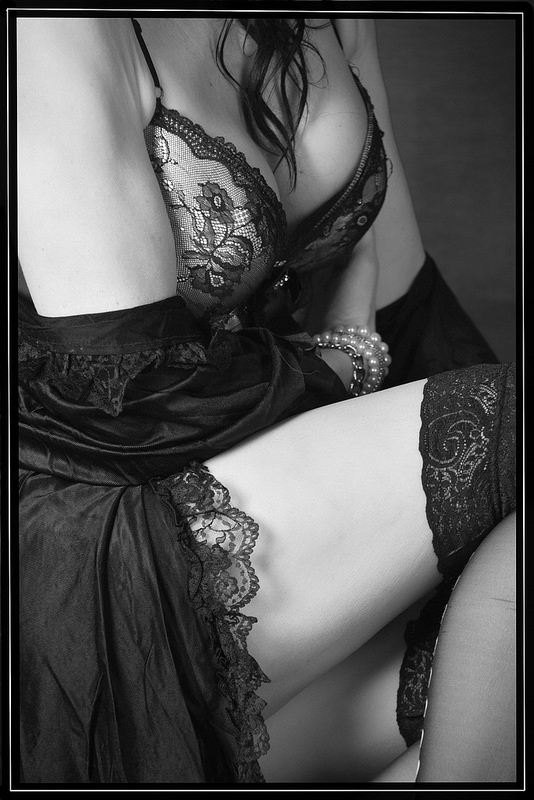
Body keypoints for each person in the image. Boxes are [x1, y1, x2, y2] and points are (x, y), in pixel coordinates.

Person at [17, 15, 516, 784]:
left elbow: (413, 318)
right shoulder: (54, 31)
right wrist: (343, 360)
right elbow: (132, 397)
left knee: (500, 671)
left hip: (281, 498)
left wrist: (489, 528)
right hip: (97, 529)